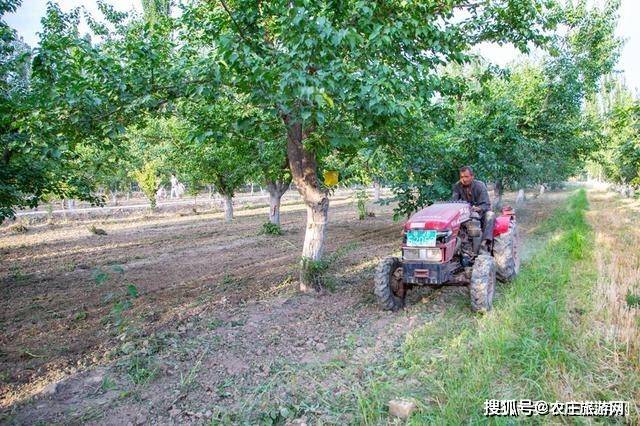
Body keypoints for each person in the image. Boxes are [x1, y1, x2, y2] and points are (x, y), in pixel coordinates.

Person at [451, 166, 495, 251]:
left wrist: (477, 208)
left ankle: (485, 242)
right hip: (464, 215)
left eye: (466, 177)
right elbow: (454, 202)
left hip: (480, 213)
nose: (463, 179)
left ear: (472, 176)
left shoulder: (480, 186)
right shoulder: (457, 186)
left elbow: (486, 205)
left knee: (490, 215)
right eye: (461, 177)